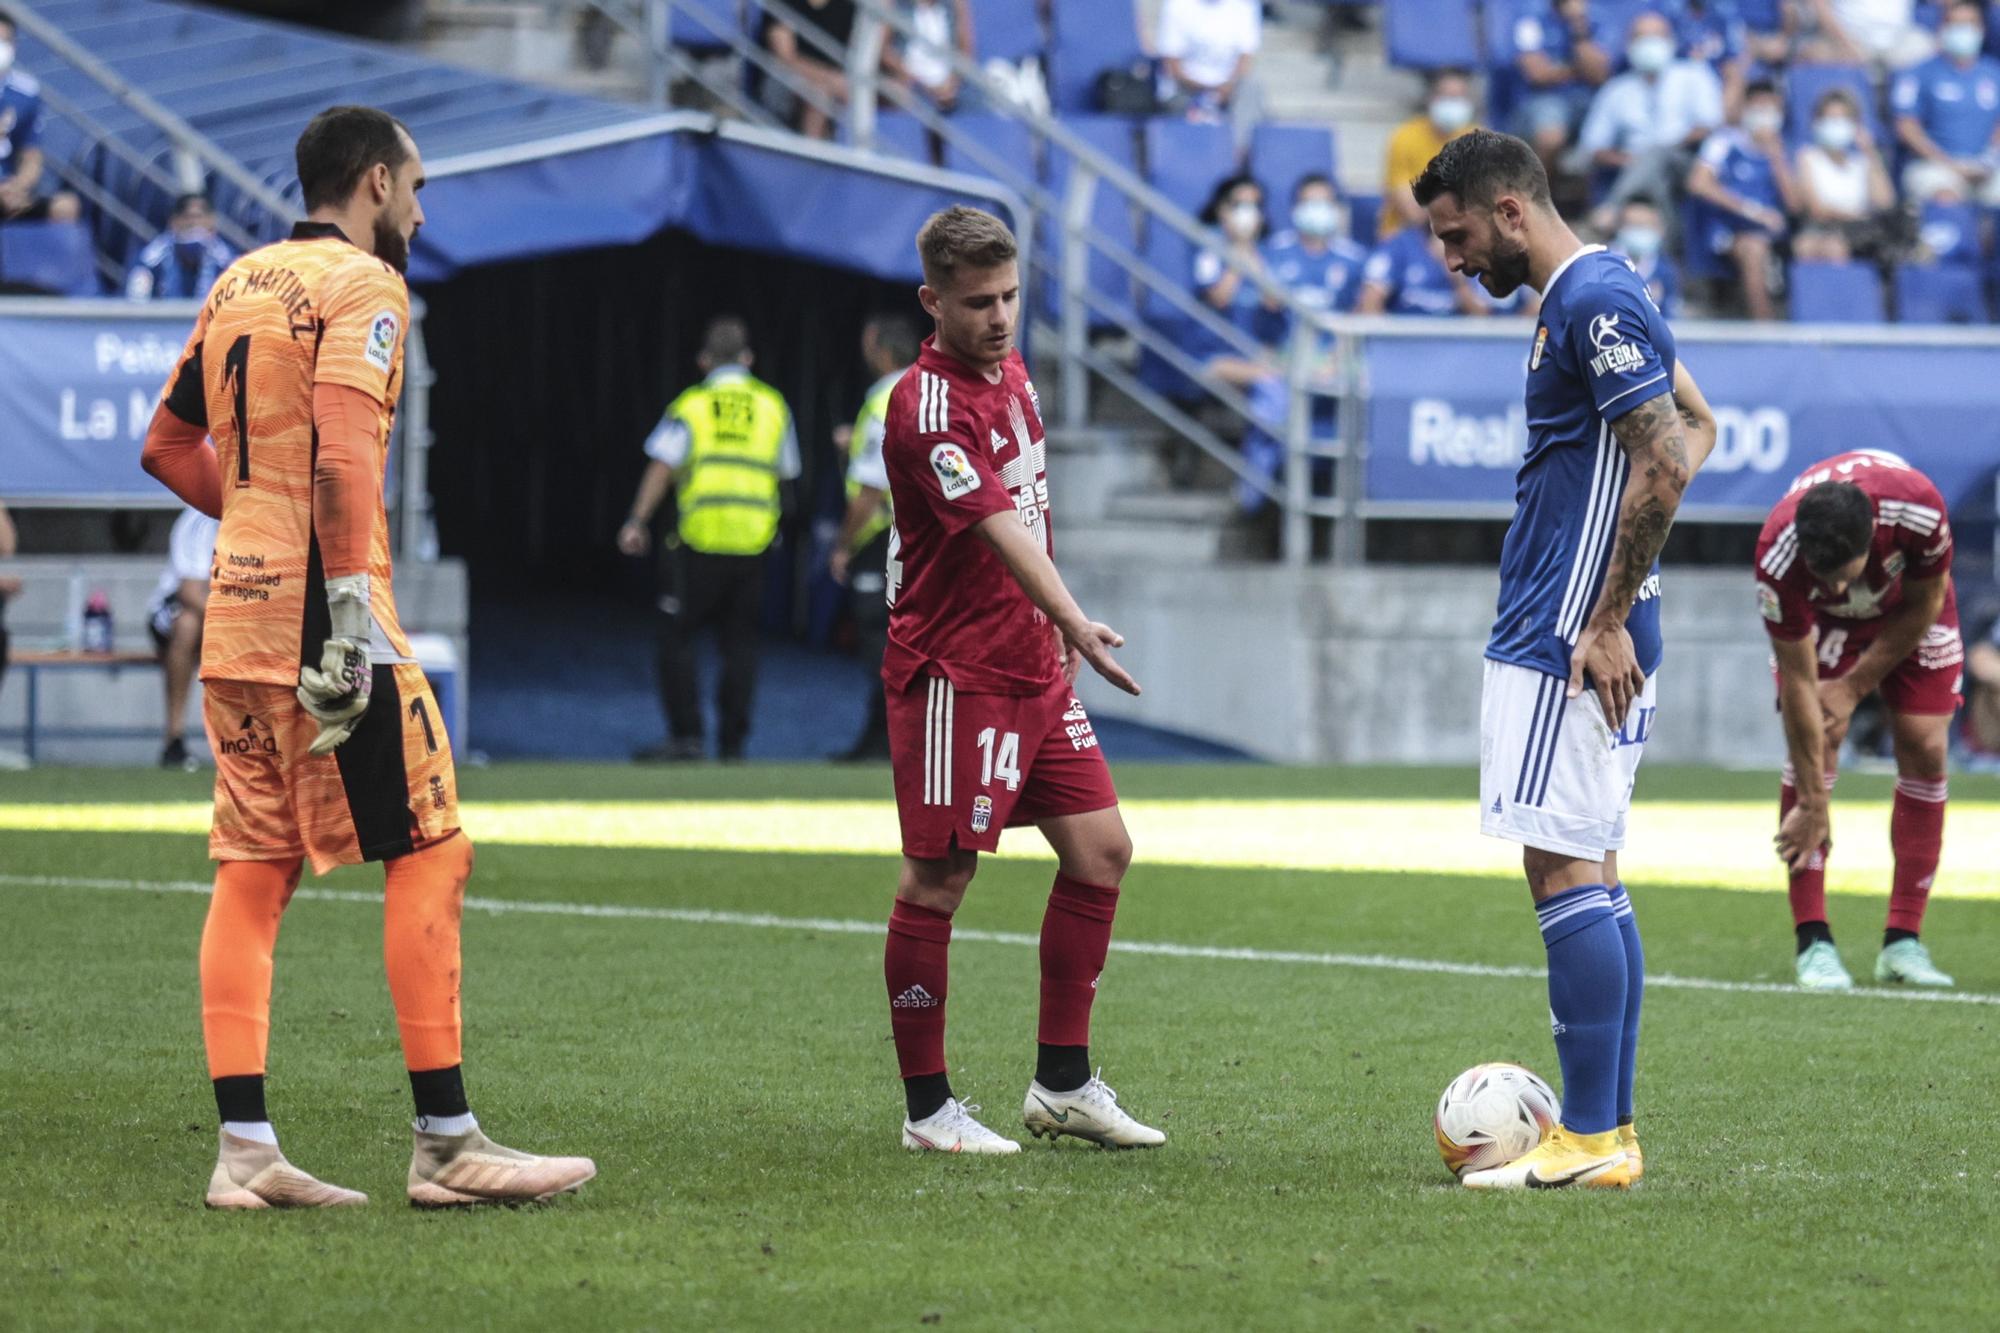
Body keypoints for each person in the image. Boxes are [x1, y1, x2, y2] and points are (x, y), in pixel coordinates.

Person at [140, 104, 595, 1210]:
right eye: (418, 188)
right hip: (324, 619)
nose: (422, 211)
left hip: (237, 620)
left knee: (252, 870)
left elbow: (163, 446)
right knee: (432, 849)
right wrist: (348, 613)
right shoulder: (366, 286)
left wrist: (251, 515)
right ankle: (445, 1142)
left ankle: (243, 1152)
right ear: (377, 182)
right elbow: (345, 454)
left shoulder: (239, 279)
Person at [1414, 128, 1719, 1189]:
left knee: (1560, 867)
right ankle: (1606, 1132)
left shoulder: (1589, 299)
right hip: (1588, 624)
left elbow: (1669, 458)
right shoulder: (1597, 291)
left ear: (1507, 210)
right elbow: (1698, 422)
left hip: (1564, 633)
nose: (1451, 261)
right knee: (1592, 866)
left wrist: (1600, 616)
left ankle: (1587, 1137)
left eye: (1456, 235)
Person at [876, 205, 1163, 1154]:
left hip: (1033, 668)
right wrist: (1076, 618)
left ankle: (1063, 1084)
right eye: (976, 303)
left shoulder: (1014, 373)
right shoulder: (926, 407)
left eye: (1009, 296)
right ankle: (927, 1110)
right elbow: (1000, 528)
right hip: (959, 674)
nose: (999, 317)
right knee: (940, 877)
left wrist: (1055, 636)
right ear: (933, 301)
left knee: (1102, 851)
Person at [1756, 451, 1963, 991]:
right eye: (1827, 581)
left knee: (1926, 744)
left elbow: (1928, 601)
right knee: (1820, 740)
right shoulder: (1778, 560)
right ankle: (1814, 943)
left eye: (1843, 579)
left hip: (1909, 608)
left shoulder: (1918, 509)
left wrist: (1852, 687)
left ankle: (1903, 940)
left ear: (1873, 537)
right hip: (1821, 631)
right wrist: (1813, 804)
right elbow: (1800, 685)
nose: (1840, 594)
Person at [617, 315, 800, 763]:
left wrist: (637, 521)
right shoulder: (773, 406)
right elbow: (788, 473)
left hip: (698, 543)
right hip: (754, 545)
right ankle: (733, 744)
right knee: (740, 646)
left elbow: (662, 465)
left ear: (703, 361)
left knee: (675, 637)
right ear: (748, 359)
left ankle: (688, 736)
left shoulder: (692, 406)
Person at [829, 311, 919, 762]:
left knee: (880, 642)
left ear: (882, 351)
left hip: (885, 538)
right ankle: (891, 740)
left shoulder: (885, 397)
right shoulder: (929, 390)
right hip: (925, 538)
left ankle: (887, 743)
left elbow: (871, 487)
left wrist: (843, 545)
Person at [1577, 11, 1724, 232]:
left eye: (1656, 37)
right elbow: (1592, 147)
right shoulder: (1616, 89)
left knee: (1655, 156)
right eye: (1641, 38)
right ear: (1628, 45)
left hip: (1684, 160)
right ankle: (1669, 246)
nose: (1649, 44)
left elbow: (1710, 125)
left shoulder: (1693, 75)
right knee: (1652, 172)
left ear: (1671, 41)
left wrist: (1661, 150)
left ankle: (1612, 209)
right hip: (1632, 165)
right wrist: (1630, 160)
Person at [1686, 80, 1798, 321]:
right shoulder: (1724, 142)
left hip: (1777, 233)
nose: (1765, 116)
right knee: (1753, 248)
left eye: (1771, 109)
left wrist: (1777, 158)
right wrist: (1751, 211)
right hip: (1728, 230)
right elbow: (1699, 183)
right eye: (1759, 108)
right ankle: (1764, 327)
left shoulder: (1785, 149)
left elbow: (1795, 206)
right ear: (1746, 109)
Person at [1892, 3, 2000, 205]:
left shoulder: (1994, 73)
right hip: (1934, 164)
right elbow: (1906, 126)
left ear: (1982, 29)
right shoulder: (1919, 72)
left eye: (1970, 24)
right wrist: (1948, 164)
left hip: (1984, 165)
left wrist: (1988, 160)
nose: (1964, 30)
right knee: (1946, 196)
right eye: (1956, 24)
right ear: (1942, 28)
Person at [145, 505, 218, 769]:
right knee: (187, 624)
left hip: (228, 616)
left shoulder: (265, 516)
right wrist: (238, 622)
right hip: (172, 611)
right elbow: (189, 592)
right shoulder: (199, 520)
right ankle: (174, 739)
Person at [1511, 0, 1615, 178]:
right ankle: (1537, 198)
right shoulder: (1530, 14)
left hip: (1592, 97)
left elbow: (1598, 74)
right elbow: (1538, 73)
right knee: (1551, 136)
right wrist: (1579, 70)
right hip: (1546, 98)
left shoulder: (1594, 15)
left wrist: (1578, 26)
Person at [1356, 223, 1537, 317]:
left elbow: (1483, 320)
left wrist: (1456, 278)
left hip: (1457, 356)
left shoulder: (1482, 252)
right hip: (1405, 350)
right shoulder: (1401, 245)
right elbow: (1369, 303)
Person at [1381, 69, 1480, 240]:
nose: (1453, 104)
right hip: (1408, 233)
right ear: (1432, 99)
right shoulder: (1405, 137)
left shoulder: (1479, 139)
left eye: (1458, 98)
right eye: (1447, 97)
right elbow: (1411, 211)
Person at [0, 12, 79, 224]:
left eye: (5, 41)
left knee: (65, 207)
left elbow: (32, 156)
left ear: (14, 46)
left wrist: (19, 187)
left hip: (7, 189)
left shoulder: (25, 93)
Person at [1154, 0, 1262, 124]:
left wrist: (1228, 86)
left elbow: (1246, 57)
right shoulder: (1176, 5)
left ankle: (1241, 143)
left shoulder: (1244, 7)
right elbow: (1171, 62)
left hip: (1229, 87)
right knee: (1169, 93)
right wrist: (1203, 90)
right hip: (1185, 86)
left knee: (1250, 90)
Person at [763, 0, 857, 140]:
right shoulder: (783, 3)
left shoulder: (847, 7)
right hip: (779, 80)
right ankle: (811, 155)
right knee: (819, 95)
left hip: (829, 86)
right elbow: (784, 59)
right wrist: (831, 80)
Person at [126, 194, 236, 301]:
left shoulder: (228, 261)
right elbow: (135, 302)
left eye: (199, 217)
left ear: (211, 222)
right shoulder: (150, 259)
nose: (194, 224)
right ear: (174, 222)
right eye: (188, 218)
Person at [883, 0, 974, 114]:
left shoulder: (954, 4)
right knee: (897, 95)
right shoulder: (894, 4)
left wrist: (953, 81)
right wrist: (915, 79)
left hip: (946, 82)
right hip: (909, 80)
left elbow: (965, 49)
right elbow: (883, 50)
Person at [1802, 0, 1936, 69]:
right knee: (1814, 53)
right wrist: (1843, 43)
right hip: (1851, 38)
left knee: (1930, 49)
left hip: (1899, 39)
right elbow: (1819, 5)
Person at [1612, 196, 1681, 316]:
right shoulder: (1604, 264)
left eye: (1645, 226)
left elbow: (1670, 312)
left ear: (1660, 229)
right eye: (1633, 225)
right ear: (1619, 228)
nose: (1639, 231)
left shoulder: (1665, 269)